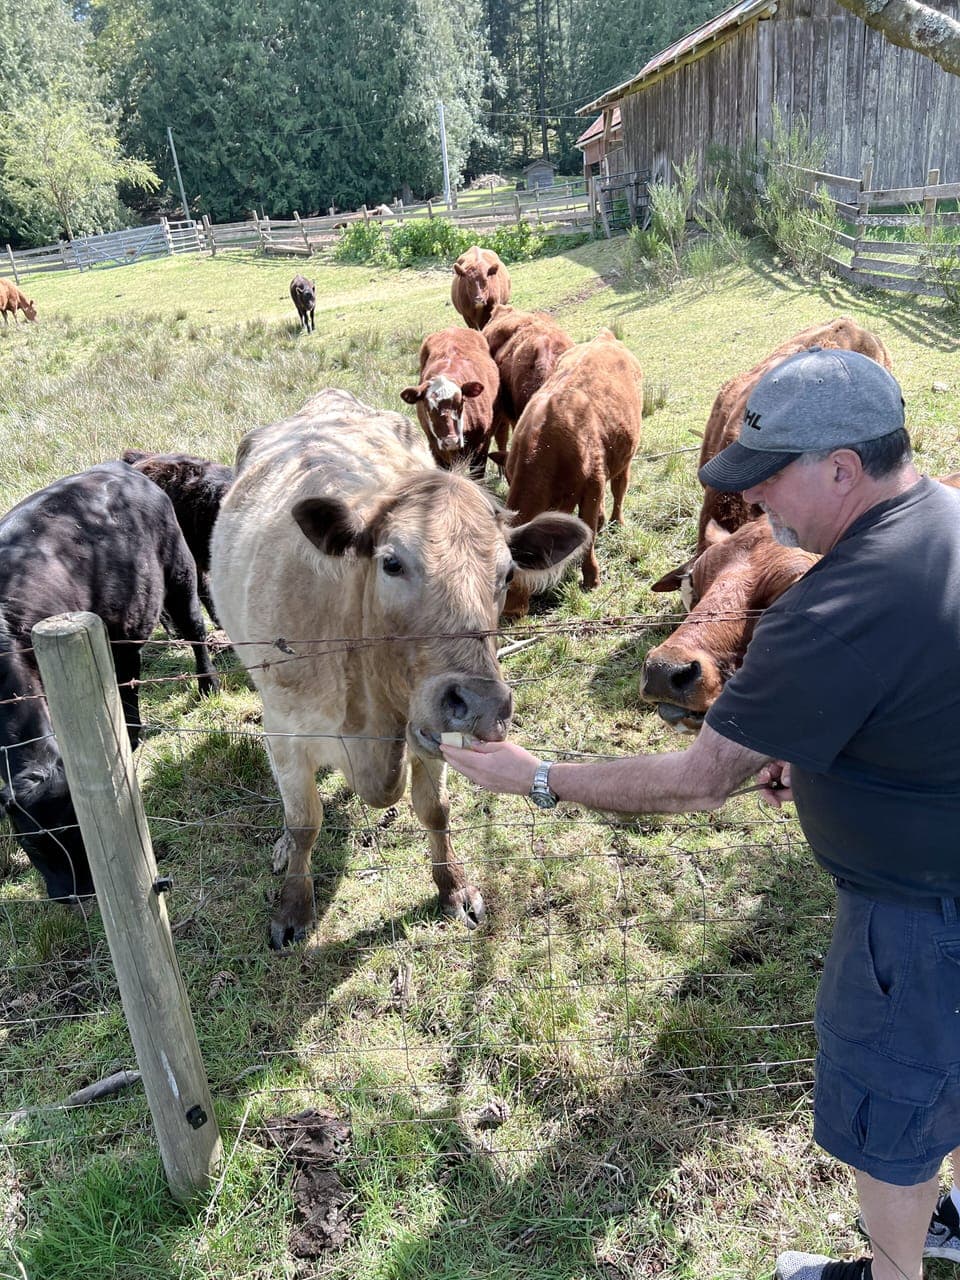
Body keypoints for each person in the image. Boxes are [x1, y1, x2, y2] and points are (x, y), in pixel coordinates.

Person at [442, 346, 960, 1280]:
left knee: (894, 1120)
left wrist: (539, 778)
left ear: (843, 469)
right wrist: (848, 764)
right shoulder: (951, 523)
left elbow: (697, 780)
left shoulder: (833, 602)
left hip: (915, 925)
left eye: (768, 483)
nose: (757, 510)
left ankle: (894, 1270)